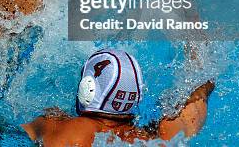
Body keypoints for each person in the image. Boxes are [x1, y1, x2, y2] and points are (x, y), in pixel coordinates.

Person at [22, 47, 214, 145]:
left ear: (86, 88)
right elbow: (202, 86)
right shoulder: (165, 134)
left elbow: (9, 130)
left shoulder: (64, 127)